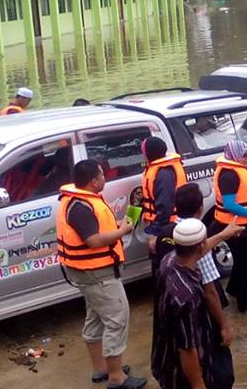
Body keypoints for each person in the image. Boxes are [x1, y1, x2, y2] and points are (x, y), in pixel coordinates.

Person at [56, 159, 145, 389]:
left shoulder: (80, 200)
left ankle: (101, 369)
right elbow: (93, 240)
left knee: (95, 318)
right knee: (117, 318)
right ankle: (116, 378)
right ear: (94, 181)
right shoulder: (80, 206)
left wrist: (117, 224)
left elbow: (95, 229)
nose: (105, 178)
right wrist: (122, 231)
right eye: (102, 175)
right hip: (97, 274)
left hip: (88, 274)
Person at [153, 186, 241, 388]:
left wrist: (221, 235)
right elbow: (188, 349)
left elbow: (195, 251)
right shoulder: (187, 295)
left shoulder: (169, 261)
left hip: (164, 355)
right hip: (187, 366)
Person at [213, 140, 247, 313]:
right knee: (244, 264)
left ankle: (234, 289)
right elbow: (229, 204)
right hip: (235, 226)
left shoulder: (241, 168)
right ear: (235, 156)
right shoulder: (228, 174)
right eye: (245, 155)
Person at [142, 137, 187, 274]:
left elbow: (165, 206)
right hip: (167, 225)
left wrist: (155, 233)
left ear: (148, 153)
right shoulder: (158, 169)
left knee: (165, 267)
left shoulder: (163, 173)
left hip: (169, 226)